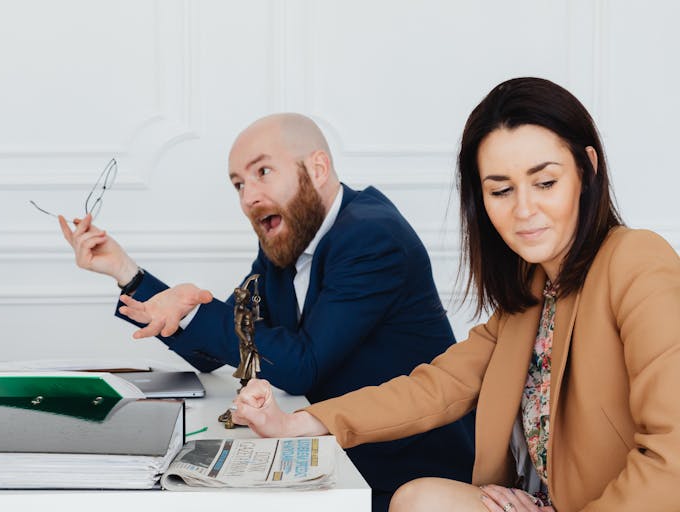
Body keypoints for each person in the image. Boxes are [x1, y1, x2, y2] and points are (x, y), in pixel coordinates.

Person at [231, 77, 680, 512]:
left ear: (588, 169)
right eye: (501, 190)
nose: (524, 209)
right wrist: (295, 424)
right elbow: (433, 388)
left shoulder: (636, 262)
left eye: (545, 183)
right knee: (417, 499)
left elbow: (673, 455)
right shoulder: (530, 296)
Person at [60, 113, 475, 511]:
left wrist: (196, 315)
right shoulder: (285, 239)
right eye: (238, 184)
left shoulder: (372, 236)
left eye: (262, 173)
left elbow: (302, 365)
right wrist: (126, 272)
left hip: (404, 478)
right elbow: (219, 347)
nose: (248, 197)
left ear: (317, 168)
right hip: (333, 459)